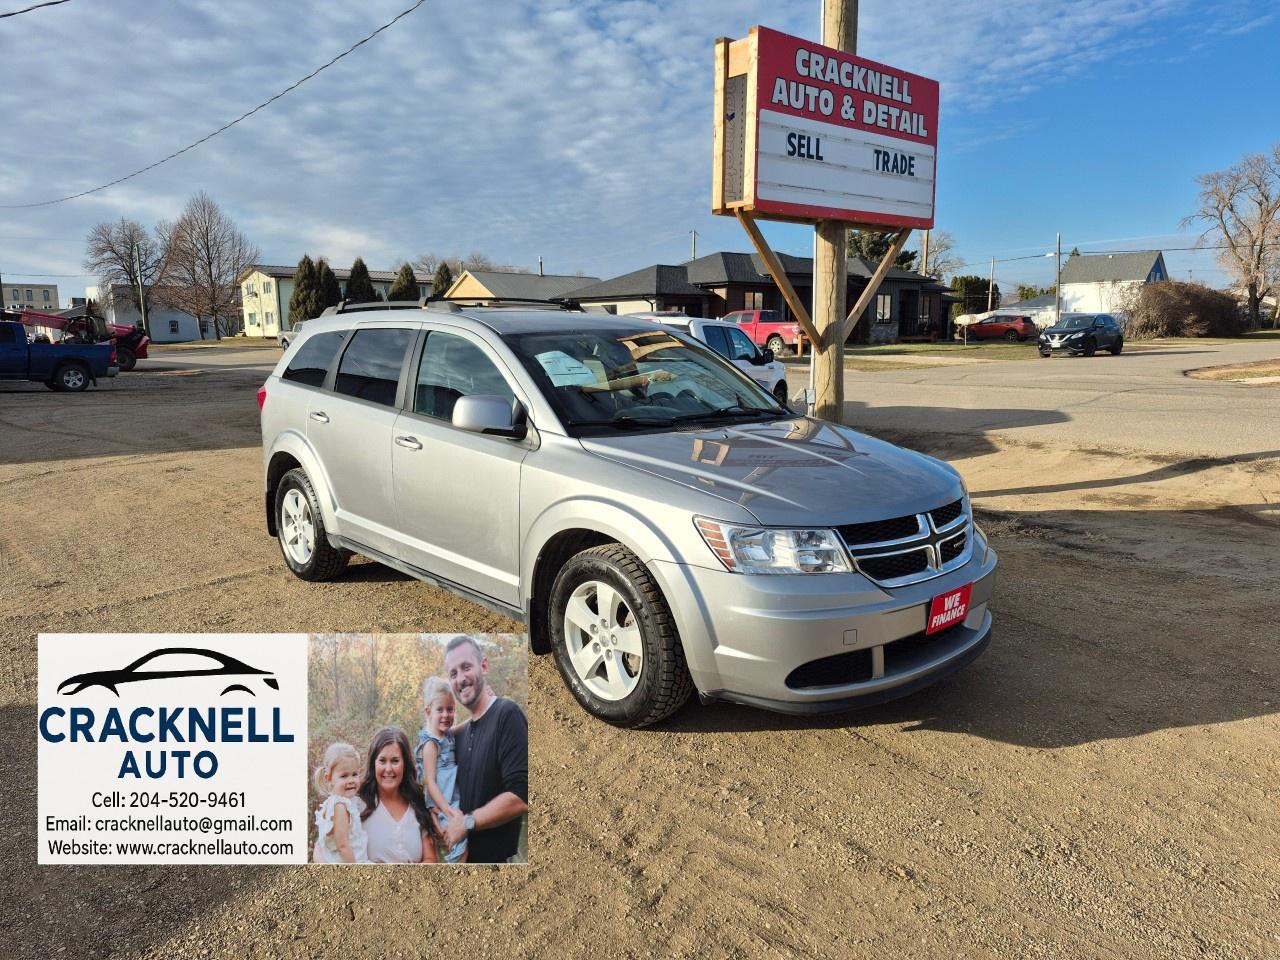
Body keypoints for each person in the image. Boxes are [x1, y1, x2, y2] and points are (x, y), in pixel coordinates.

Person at [439, 636, 529, 864]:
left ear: (484, 666)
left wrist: (467, 822)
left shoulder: (507, 715)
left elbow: (521, 795)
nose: (460, 678)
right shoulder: (462, 734)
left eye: (466, 667)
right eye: (453, 673)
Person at [357, 726, 438, 864]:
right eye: (382, 761)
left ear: (405, 764)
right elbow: (323, 848)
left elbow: (430, 859)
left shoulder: (418, 803)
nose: (388, 769)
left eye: (395, 761)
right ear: (373, 764)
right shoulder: (357, 804)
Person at [417, 676, 467, 864]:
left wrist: (481, 714)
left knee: (460, 843)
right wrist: (447, 810)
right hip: (444, 801)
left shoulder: (447, 735)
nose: (446, 715)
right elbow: (430, 781)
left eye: (450, 709)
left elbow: (463, 727)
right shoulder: (431, 744)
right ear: (428, 711)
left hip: (452, 799)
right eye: (440, 710)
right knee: (458, 843)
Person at [312, 742, 368, 864]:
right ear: (329, 778)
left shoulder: (337, 802)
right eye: (344, 776)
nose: (351, 780)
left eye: (354, 774)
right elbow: (342, 845)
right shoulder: (340, 806)